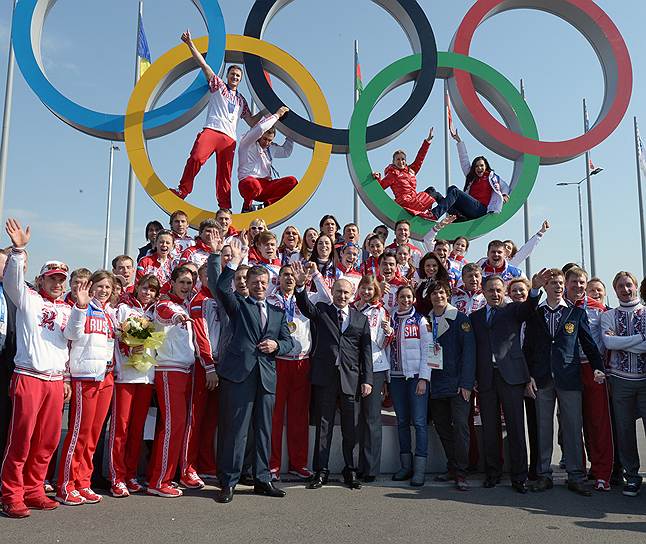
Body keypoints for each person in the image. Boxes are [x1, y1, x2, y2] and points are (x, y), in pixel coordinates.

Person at [0, 218, 86, 518]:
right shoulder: (28, 300)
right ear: (41, 280)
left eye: (62, 279)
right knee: (21, 439)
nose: (58, 283)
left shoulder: (66, 307)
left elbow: (73, 336)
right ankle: (11, 494)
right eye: (52, 278)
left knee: (47, 440)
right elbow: (12, 281)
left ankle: (34, 489)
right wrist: (19, 250)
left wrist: (79, 308)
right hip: (28, 377)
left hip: (53, 381)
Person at [214, 239, 294, 504]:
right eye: (254, 283)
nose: (259, 287)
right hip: (239, 375)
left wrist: (277, 344)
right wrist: (233, 263)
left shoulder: (277, 312)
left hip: (267, 376)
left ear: (269, 285)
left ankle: (262, 479)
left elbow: (289, 342)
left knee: (264, 431)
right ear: (247, 285)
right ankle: (229, 482)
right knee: (236, 431)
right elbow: (222, 288)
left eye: (263, 283)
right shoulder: (238, 305)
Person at [524, 269, 605, 497]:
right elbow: (528, 348)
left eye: (561, 283)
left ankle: (576, 475)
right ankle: (543, 475)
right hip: (541, 378)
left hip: (569, 378)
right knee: (544, 428)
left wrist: (598, 367)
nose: (559, 286)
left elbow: (589, 344)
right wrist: (528, 375)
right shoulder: (536, 314)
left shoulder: (576, 314)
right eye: (553, 283)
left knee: (572, 427)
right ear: (546, 287)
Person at [294, 269, 373, 490]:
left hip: (351, 380)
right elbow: (304, 307)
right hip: (325, 377)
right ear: (333, 292)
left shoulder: (361, 319)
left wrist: (367, 380)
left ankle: (350, 470)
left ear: (353, 293)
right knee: (324, 426)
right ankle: (321, 471)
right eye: (338, 291)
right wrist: (301, 287)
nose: (342, 296)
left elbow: (365, 352)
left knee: (351, 428)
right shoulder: (322, 311)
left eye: (346, 292)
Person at [470, 270, 546, 493]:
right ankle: (492, 473)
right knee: (490, 428)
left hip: (511, 375)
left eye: (498, 290)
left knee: (515, 427)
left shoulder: (513, 309)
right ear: (483, 292)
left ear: (504, 292)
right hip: (485, 377)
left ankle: (519, 476)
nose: (495, 293)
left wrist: (534, 289)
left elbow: (529, 307)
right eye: (490, 290)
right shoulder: (475, 317)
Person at [171, 30, 259, 208]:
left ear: (240, 80)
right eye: (232, 75)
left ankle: (225, 208)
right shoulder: (218, 85)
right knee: (196, 158)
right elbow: (203, 65)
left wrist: (268, 111)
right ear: (227, 76)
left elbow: (251, 121)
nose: (235, 78)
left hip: (229, 139)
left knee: (224, 175)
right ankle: (183, 190)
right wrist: (190, 44)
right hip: (212, 130)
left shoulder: (241, 100)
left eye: (238, 76)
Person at [56, 271, 117, 506]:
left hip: (106, 377)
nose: (104, 291)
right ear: (91, 287)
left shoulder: (108, 313)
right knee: (78, 434)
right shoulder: (82, 307)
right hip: (85, 377)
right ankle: (65, 485)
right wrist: (81, 308)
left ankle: (83, 482)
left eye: (108, 288)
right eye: (100, 286)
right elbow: (70, 335)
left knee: (93, 436)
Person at [108, 274, 161, 498]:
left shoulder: (156, 313)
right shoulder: (123, 309)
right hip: (125, 377)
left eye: (152, 290)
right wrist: (129, 349)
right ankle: (116, 477)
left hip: (146, 377)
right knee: (120, 428)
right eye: (144, 288)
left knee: (137, 430)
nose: (147, 292)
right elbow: (115, 337)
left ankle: (130, 474)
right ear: (136, 287)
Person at [147, 266, 197, 498]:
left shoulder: (184, 305)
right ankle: (159, 480)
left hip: (185, 371)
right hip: (169, 372)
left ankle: (167, 476)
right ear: (173, 282)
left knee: (178, 427)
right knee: (171, 427)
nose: (185, 287)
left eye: (189, 283)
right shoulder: (165, 304)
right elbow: (166, 314)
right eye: (182, 282)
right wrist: (178, 317)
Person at [564, 266, 614, 490]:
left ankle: (602, 472)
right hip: (568, 369)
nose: (578, 286)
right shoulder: (559, 307)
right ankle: (577, 470)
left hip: (592, 370)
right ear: (566, 283)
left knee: (598, 421)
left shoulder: (599, 309)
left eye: (582, 282)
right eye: (573, 282)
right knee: (573, 423)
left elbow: (606, 342)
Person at [266, 263, 316, 481]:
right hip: (277, 361)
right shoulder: (270, 300)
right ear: (278, 279)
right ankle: (273, 465)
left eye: (293, 276)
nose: (289, 278)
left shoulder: (307, 298)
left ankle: (299, 463)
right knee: (274, 417)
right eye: (285, 275)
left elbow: (327, 297)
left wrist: (305, 280)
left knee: (299, 416)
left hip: (301, 362)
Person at [426, 280, 475, 491]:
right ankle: (452, 466)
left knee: (461, 428)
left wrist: (466, 383)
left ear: (448, 295)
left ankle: (462, 472)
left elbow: (469, 353)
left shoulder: (461, 319)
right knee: (443, 428)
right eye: (434, 294)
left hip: (457, 384)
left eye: (442, 293)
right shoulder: (425, 320)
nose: (438, 297)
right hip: (435, 383)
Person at [601, 271, 646, 497]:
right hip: (621, 381)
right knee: (625, 431)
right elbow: (608, 342)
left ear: (636, 286)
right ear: (615, 289)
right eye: (620, 286)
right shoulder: (608, 316)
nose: (626, 290)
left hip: (645, 380)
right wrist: (641, 338)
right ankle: (632, 476)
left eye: (629, 285)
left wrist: (621, 343)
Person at [180, 263, 221, 489]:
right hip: (204, 365)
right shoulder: (200, 301)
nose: (212, 278)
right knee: (195, 418)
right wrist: (209, 367)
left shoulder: (220, 298)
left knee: (211, 419)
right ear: (200, 278)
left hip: (219, 365)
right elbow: (201, 336)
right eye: (208, 275)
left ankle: (205, 463)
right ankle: (188, 467)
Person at [389, 285, 432, 487]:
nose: (405, 300)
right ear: (396, 299)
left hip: (416, 378)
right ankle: (405, 466)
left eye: (409, 297)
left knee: (420, 422)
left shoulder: (421, 320)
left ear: (414, 299)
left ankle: (420, 469)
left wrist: (424, 378)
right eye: (402, 297)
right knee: (402, 422)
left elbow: (429, 349)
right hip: (396, 378)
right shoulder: (390, 318)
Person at [353, 274, 393, 482]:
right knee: (355, 418)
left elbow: (379, 343)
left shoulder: (380, 311)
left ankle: (370, 468)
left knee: (371, 419)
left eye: (370, 289)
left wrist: (388, 333)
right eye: (363, 288)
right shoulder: (352, 309)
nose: (366, 292)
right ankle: (356, 465)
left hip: (375, 368)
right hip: (353, 368)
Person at [426, 128, 510, 220]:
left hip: (480, 209)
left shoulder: (491, 177)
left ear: (486, 166)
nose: (479, 168)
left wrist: (505, 195)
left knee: (455, 192)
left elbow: (504, 186)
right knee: (451, 188)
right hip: (469, 208)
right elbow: (464, 160)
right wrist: (459, 141)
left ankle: (435, 214)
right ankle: (457, 216)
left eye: (481, 166)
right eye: (477, 166)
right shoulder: (472, 177)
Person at [238, 107, 297, 213]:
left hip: (266, 186)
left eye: (270, 140)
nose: (267, 142)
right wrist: (277, 115)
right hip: (249, 184)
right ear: (259, 137)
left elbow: (286, 152)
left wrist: (290, 134)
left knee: (292, 181)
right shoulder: (247, 143)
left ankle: (266, 205)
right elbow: (260, 128)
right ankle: (247, 207)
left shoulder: (270, 148)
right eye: (264, 139)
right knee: (252, 185)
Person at [372, 128, 438, 219]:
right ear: (393, 162)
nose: (401, 161)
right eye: (398, 159)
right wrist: (377, 178)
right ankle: (438, 213)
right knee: (436, 195)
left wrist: (427, 141)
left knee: (431, 190)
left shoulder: (410, 171)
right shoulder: (393, 174)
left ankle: (433, 212)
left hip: (414, 200)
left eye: (403, 159)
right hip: (406, 203)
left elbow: (420, 158)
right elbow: (380, 187)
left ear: (405, 161)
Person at [414, 253, 451, 317]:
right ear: (423, 267)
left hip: (437, 321)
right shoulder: (422, 284)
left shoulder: (443, 284)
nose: (431, 268)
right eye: (428, 266)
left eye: (434, 266)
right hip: (422, 322)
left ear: (439, 267)